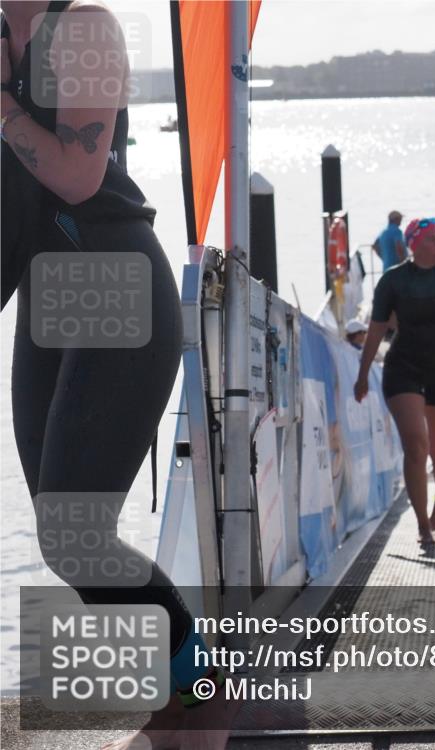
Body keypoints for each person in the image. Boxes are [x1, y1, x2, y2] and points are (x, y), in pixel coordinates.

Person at [2, 2, 237, 747]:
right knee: (63, 539)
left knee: (78, 536)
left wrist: (1, 103)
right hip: (44, 304)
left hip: (116, 286)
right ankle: (173, 693)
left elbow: (77, 176)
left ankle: (204, 694)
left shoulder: (84, 31)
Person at [354, 218, 435, 547]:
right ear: (414, 245)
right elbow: (376, 330)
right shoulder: (393, 280)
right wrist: (363, 373)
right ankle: (423, 525)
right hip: (403, 368)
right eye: (432, 240)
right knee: (415, 446)